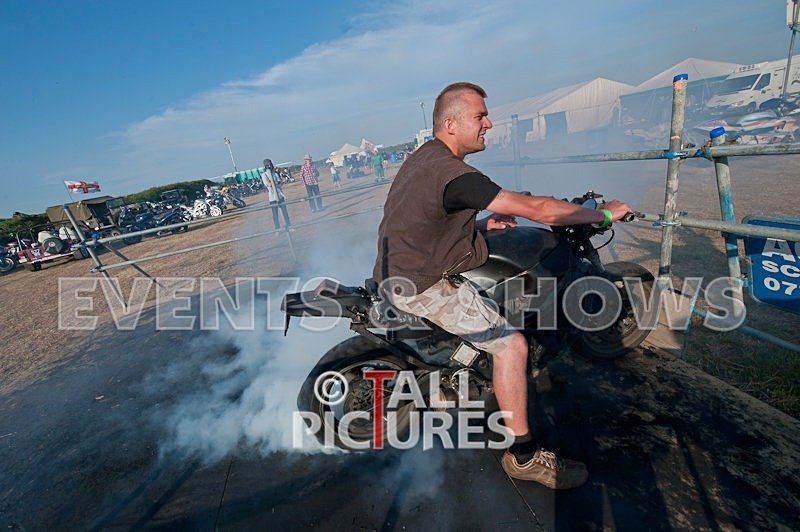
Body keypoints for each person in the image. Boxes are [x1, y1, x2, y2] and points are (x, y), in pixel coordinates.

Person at [372, 82, 633, 490]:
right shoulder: (455, 174)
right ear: (451, 122)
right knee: (512, 346)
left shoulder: (423, 158)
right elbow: (538, 209)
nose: (488, 124)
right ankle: (524, 456)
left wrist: (479, 226)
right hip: (421, 283)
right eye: (480, 116)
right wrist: (600, 216)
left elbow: (423, 220)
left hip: (400, 269)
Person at [260, 159, 291, 230]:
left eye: (270, 164)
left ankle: (289, 226)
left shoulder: (275, 174)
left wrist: (274, 183)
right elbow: (268, 184)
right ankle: (278, 229)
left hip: (280, 196)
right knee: (275, 215)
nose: (269, 166)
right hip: (272, 198)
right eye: (267, 165)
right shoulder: (264, 175)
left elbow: (281, 183)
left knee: (285, 212)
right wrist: (275, 183)